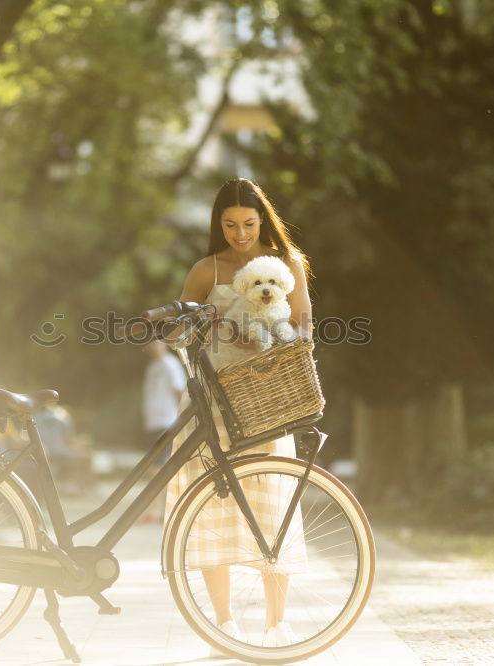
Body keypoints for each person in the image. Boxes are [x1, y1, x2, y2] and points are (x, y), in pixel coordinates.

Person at [164, 178, 313, 650]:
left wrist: (270, 342)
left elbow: (303, 324)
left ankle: (277, 624)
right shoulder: (207, 268)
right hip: (213, 400)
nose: (240, 234)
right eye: (229, 225)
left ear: (262, 220)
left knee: (273, 506)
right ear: (218, 224)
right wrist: (215, 326)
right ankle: (223, 624)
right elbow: (175, 333)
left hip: (267, 398)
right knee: (210, 505)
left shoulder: (285, 264)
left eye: (248, 224)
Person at [142, 339, 187, 462]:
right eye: (151, 344)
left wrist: (182, 418)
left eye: (156, 343)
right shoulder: (151, 367)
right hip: (153, 423)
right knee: (153, 463)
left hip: (168, 422)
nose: (153, 346)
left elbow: (179, 391)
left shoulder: (170, 364)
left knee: (164, 464)